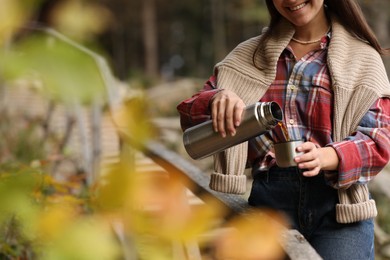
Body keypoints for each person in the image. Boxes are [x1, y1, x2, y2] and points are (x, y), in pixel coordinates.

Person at [177, 0, 390, 259]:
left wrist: (327, 156)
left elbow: (380, 139)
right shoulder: (249, 55)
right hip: (269, 205)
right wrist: (216, 99)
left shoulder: (363, 58)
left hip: (339, 207)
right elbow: (190, 117)